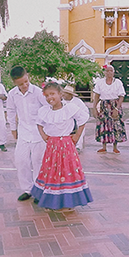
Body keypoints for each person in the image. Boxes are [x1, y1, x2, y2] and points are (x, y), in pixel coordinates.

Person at [31, 82, 93, 211]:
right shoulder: (44, 111)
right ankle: (52, 200)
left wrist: (76, 136)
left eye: (52, 94)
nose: (49, 98)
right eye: (47, 95)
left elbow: (83, 120)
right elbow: (39, 123)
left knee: (66, 170)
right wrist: (43, 135)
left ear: (60, 94)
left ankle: (68, 202)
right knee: (52, 171)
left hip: (66, 145)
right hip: (52, 147)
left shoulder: (69, 108)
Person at [6, 66, 48, 201]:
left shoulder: (38, 92)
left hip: (39, 132)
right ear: (14, 82)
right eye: (20, 84)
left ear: (27, 76)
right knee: (21, 160)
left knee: (38, 161)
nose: (24, 85)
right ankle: (27, 189)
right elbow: (11, 111)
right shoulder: (12, 94)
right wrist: (13, 129)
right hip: (23, 131)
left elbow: (47, 108)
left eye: (26, 81)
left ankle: (39, 190)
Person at [92, 64, 127, 153]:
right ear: (104, 72)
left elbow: (121, 96)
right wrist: (94, 107)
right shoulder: (100, 82)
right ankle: (104, 146)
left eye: (111, 71)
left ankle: (115, 147)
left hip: (114, 104)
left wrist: (116, 108)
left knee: (116, 125)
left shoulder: (118, 82)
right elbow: (96, 95)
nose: (109, 72)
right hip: (104, 105)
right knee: (103, 124)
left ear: (114, 72)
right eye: (107, 71)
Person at [61, 84, 90, 152]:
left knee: (80, 130)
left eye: (65, 94)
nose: (63, 95)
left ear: (70, 95)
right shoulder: (62, 101)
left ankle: (78, 146)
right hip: (66, 120)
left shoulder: (77, 102)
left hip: (77, 120)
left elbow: (85, 111)